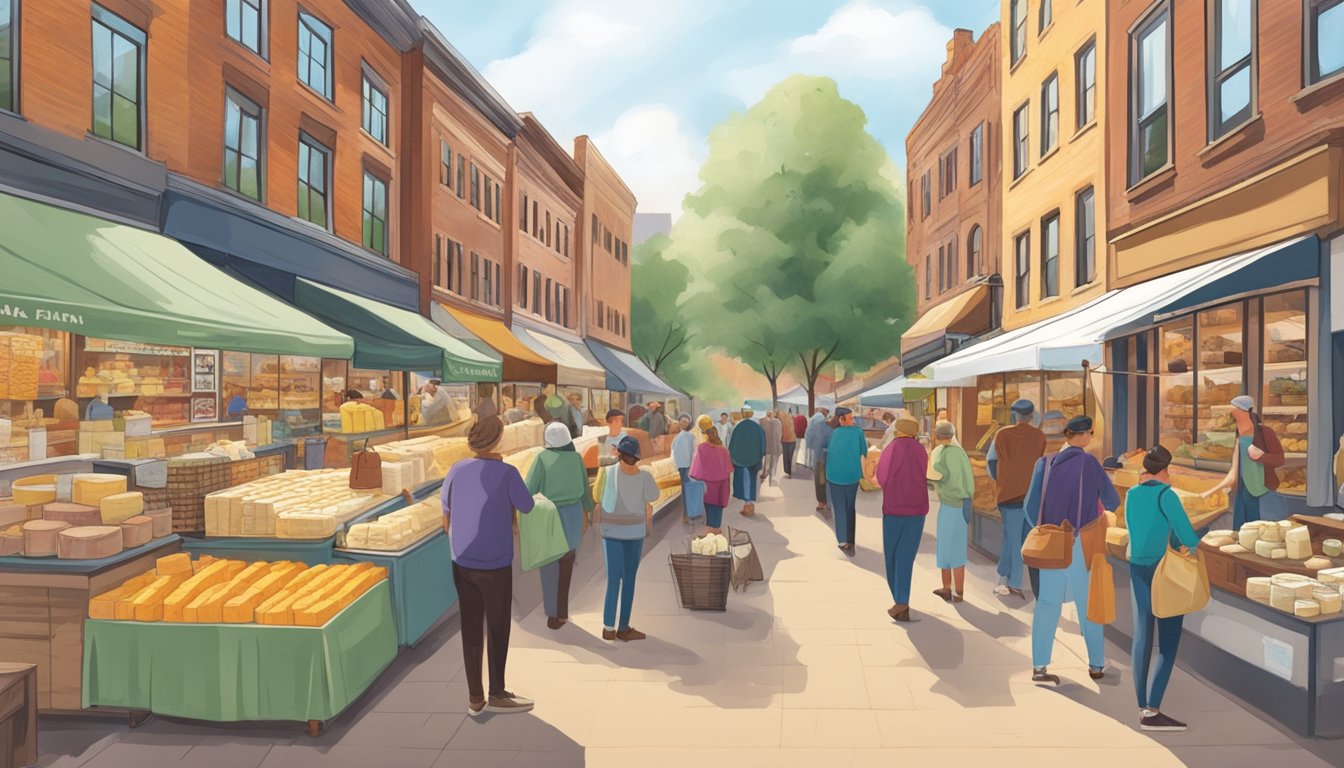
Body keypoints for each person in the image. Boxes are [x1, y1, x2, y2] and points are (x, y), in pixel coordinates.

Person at [442, 416, 536, 716]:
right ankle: (497, 692)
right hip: (495, 562)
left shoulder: (456, 469)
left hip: (462, 560)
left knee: (470, 626)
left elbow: (446, 514)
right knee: (497, 626)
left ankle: (475, 698)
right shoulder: (507, 472)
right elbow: (527, 505)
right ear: (498, 441)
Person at [1022, 415, 1119, 685]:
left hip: (1051, 543)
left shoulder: (1045, 462)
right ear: (1085, 435)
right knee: (1088, 603)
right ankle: (1096, 664)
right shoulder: (1089, 462)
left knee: (1047, 604)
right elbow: (1111, 499)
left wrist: (1048, 528)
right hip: (1080, 541)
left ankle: (1039, 667)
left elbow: (1030, 507)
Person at [1125, 445, 1200, 732]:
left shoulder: (1132, 493)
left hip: (1136, 567)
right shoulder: (1166, 495)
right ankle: (1152, 710)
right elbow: (1187, 535)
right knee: (1168, 643)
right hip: (1162, 570)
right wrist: (1190, 544)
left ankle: (1140, 703)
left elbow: (1136, 528)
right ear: (1166, 471)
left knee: (1143, 635)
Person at [526, 423, 596, 631]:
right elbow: (584, 488)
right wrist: (589, 509)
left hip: (549, 516)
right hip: (572, 516)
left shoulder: (541, 458)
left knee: (549, 567)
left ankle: (552, 613)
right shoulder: (576, 459)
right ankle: (562, 612)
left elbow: (529, 489)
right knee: (566, 565)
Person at [595, 435, 659, 641]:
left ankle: (608, 628)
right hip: (634, 533)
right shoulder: (645, 477)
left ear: (619, 454)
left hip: (611, 532)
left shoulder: (607, 473)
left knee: (613, 579)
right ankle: (623, 627)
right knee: (629, 579)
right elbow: (654, 496)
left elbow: (597, 496)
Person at [988, 399, 1046, 598]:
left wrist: (1002, 480)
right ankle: (1004, 576)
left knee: (1012, 540)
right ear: (1031, 416)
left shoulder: (1002, 434)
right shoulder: (1039, 436)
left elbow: (991, 462)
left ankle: (1014, 582)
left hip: (1009, 495)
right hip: (1031, 496)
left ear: (1015, 415)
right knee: (1023, 540)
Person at [1202, 395, 1286, 527]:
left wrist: (1261, 457)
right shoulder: (1239, 434)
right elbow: (1234, 472)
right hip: (1242, 491)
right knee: (1241, 530)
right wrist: (1212, 491)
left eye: (1234, 409)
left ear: (1245, 411)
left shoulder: (1265, 432)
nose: (1231, 413)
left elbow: (1280, 460)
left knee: (1258, 530)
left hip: (1262, 493)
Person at [876, 417, 929, 622]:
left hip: (894, 510)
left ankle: (900, 601)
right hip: (917, 511)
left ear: (898, 431)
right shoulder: (920, 450)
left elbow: (882, 476)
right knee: (907, 556)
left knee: (892, 556)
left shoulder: (892, 448)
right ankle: (902, 600)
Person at [927, 421, 974, 601]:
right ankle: (959, 592)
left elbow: (935, 477)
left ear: (938, 437)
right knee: (958, 550)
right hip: (963, 505)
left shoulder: (939, 453)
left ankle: (947, 588)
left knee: (945, 548)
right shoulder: (960, 453)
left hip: (948, 506)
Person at [826, 407, 868, 554]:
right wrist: (864, 475)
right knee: (850, 506)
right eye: (850, 417)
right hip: (852, 476)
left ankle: (842, 540)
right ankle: (850, 539)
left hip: (834, 475)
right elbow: (864, 454)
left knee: (839, 507)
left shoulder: (834, 433)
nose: (853, 420)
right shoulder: (858, 433)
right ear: (842, 419)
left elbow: (829, 452)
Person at [691, 425, 733, 532]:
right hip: (721, 484)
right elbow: (728, 469)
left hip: (706, 484)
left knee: (708, 507)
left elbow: (696, 469)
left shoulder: (701, 448)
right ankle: (716, 528)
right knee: (718, 508)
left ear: (706, 436)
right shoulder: (723, 451)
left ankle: (710, 528)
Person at [728, 406, 766, 516]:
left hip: (739, 460)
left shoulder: (737, 427)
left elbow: (732, 445)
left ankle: (747, 504)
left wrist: (733, 457)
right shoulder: (758, 427)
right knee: (753, 482)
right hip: (754, 460)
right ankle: (749, 504)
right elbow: (763, 445)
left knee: (743, 482)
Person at [806, 408, 834, 512]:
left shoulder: (815, 420)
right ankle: (826, 502)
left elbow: (809, 436)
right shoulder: (825, 423)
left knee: (821, 480)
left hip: (819, 457)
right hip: (827, 457)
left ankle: (822, 502)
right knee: (826, 479)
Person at [761, 410, 783, 486]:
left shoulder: (765, 422)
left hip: (770, 445)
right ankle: (770, 475)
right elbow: (779, 434)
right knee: (772, 460)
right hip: (773, 445)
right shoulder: (777, 422)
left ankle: (767, 474)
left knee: (769, 459)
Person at [780, 408, 798, 478]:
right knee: (790, 456)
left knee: (786, 456)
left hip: (785, 440)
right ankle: (789, 472)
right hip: (792, 440)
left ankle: (788, 471)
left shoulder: (783, 419)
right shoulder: (793, 419)